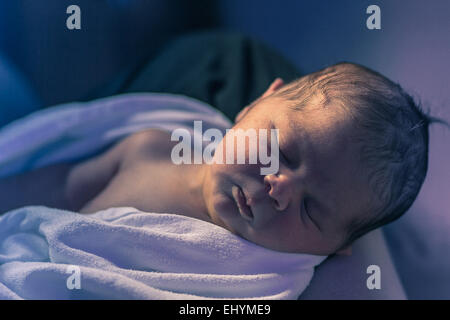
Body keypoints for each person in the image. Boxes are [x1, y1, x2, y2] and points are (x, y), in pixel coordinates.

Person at [0, 60, 432, 257]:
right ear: (255, 105)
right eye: (279, 151)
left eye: (311, 209)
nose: (279, 188)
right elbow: (62, 185)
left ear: (338, 249)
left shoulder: (265, 279)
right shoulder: (151, 149)